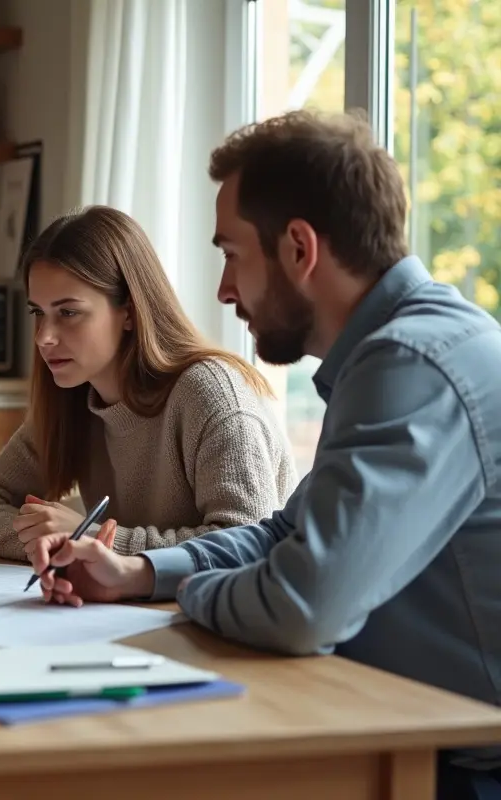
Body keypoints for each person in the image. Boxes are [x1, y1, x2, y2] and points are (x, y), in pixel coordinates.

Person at [29, 110, 501, 798]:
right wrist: (138, 574)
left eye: (231, 253)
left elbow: (303, 606)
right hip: (412, 731)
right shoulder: (397, 352)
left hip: (462, 768)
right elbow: (286, 533)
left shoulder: (411, 364)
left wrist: (192, 594)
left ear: (300, 248)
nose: (224, 289)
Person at [0, 206, 296, 562]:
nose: (44, 338)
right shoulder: (74, 396)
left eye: (68, 313)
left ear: (129, 312)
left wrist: (94, 540)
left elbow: (247, 544)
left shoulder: (210, 395)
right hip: (140, 608)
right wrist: (59, 544)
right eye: (38, 312)